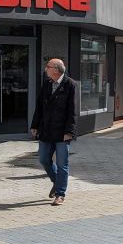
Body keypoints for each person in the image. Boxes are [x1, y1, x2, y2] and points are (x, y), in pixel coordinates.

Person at [30, 58, 77, 206]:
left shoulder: (70, 85)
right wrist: (35, 125)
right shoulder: (47, 84)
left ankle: (60, 194)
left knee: (62, 163)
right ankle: (57, 182)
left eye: (48, 67)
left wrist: (69, 131)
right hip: (46, 129)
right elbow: (39, 107)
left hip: (63, 131)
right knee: (43, 159)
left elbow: (73, 111)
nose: (46, 69)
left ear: (56, 69)